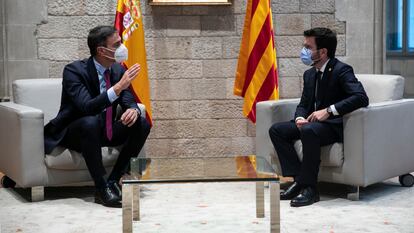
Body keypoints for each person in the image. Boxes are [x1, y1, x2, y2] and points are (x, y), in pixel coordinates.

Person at [44, 25, 150, 207]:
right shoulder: (74, 71)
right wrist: (118, 87)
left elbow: (128, 99)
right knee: (90, 122)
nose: (122, 47)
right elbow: (87, 107)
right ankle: (101, 188)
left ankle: (113, 181)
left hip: (105, 130)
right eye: (117, 44)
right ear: (101, 50)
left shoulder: (117, 70)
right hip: (77, 132)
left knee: (142, 122)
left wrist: (132, 109)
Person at [268, 28, 369, 207]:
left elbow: (361, 97)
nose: (304, 51)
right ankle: (299, 180)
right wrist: (299, 118)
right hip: (312, 125)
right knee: (277, 130)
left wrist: (329, 111)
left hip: (334, 126)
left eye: (308, 47)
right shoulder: (309, 74)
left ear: (323, 52)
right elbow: (303, 104)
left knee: (309, 130)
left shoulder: (341, 70)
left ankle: (311, 190)